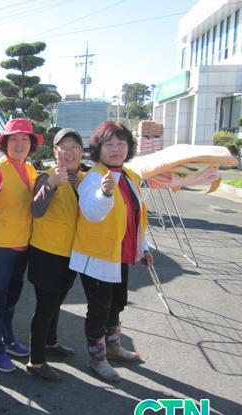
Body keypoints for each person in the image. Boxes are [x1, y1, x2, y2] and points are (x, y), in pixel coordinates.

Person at [69, 121, 153, 382]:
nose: (116, 149)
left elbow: (136, 217)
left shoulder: (128, 175)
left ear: (129, 147)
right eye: (109, 144)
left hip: (119, 254)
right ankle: (97, 358)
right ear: (98, 149)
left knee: (116, 303)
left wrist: (143, 247)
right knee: (99, 308)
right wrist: (105, 194)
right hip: (96, 256)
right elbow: (92, 213)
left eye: (121, 143)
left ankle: (114, 347)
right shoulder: (93, 177)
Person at [0, 118, 41, 372]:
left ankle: (7, 337)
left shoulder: (31, 169)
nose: (20, 143)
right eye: (14, 139)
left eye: (25, 139)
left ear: (31, 144)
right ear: (5, 143)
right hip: (0, 244)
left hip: (24, 243)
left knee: (12, 296)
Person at [26, 128, 85, 382]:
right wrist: (51, 185)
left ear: (81, 152)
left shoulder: (85, 178)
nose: (69, 152)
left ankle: (50, 343)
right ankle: (36, 360)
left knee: (56, 302)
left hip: (71, 253)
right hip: (46, 253)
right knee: (45, 307)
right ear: (55, 151)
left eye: (74, 147)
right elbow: (36, 210)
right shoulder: (46, 176)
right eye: (64, 147)